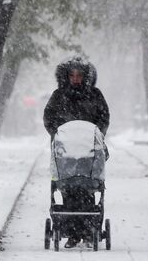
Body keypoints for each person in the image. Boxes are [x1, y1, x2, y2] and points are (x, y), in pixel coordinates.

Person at [44, 57, 110, 248]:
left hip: (89, 149)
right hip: (66, 151)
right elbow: (49, 118)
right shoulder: (59, 96)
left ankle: (89, 231)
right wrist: (58, 134)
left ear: (86, 77)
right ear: (66, 76)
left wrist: (98, 135)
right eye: (71, 75)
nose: (75, 79)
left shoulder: (95, 95)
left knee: (88, 190)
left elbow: (103, 117)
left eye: (79, 75)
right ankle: (73, 232)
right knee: (69, 191)